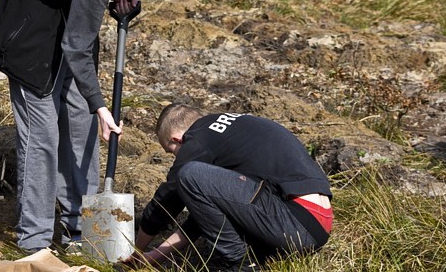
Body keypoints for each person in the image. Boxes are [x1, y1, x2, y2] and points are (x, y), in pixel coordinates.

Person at [0, 0, 191, 253]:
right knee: (42, 135)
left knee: (81, 126)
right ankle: (35, 241)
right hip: (30, 27)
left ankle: (81, 231)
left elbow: (83, 20)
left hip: (65, 15)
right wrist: (100, 104)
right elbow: (77, 43)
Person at [126, 104, 332, 271]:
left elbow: (167, 200)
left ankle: (240, 265)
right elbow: (205, 217)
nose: (176, 158)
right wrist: (155, 256)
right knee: (195, 180)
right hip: (315, 226)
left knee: (189, 174)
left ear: (177, 139)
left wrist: (137, 251)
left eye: (172, 152)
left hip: (293, 223)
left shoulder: (198, 137)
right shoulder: (231, 132)